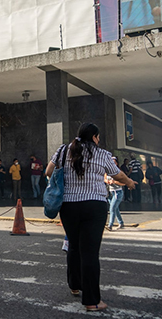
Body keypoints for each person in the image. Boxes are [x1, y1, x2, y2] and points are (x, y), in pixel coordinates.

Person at [45, 123, 136, 312]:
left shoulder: (63, 150)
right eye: (98, 137)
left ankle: (74, 285)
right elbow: (117, 174)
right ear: (94, 137)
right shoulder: (102, 154)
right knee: (90, 252)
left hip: (68, 206)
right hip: (94, 206)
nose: (99, 140)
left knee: (73, 245)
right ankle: (92, 301)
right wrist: (128, 182)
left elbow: (48, 172)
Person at [105, 157, 125, 231]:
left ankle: (110, 225)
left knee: (112, 208)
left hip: (118, 192)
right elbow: (104, 178)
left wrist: (114, 182)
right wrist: (107, 181)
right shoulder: (107, 171)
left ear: (116, 163)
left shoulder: (119, 172)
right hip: (110, 192)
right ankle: (121, 222)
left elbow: (123, 183)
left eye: (114, 162)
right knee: (115, 209)